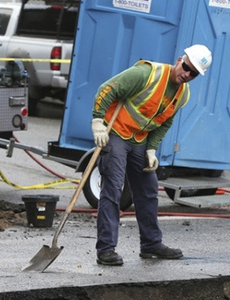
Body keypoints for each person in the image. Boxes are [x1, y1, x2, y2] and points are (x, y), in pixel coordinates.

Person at [91, 44, 212, 266]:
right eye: (186, 67)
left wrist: (151, 148)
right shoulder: (147, 74)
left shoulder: (183, 95)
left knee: (148, 190)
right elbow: (107, 89)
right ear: (179, 60)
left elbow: (166, 121)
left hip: (138, 140)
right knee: (113, 189)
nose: (187, 74)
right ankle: (106, 249)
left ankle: (151, 245)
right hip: (115, 132)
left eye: (193, 73)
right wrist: (98, 120)